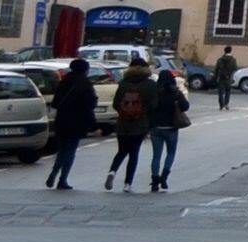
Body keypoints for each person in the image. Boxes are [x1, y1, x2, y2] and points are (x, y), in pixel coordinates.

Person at [42, 58, 96, 190]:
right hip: (77, 121)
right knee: (70, 151)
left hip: (62, 120)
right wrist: (93, 123)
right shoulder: (85, 83)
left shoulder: (64, 81)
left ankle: (54, 172)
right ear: (85, 69)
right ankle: (63, 179)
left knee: (62, 150)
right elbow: (90, 104)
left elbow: (55, 103)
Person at [104, 57, 154, 190]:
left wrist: (125, 112)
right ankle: (127, 184)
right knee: (134, 153)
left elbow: (116, 104)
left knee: (121, 151)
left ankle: (112, 172)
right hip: (140, 124)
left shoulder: (124, 83)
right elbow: (154, 105)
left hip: (123, 123)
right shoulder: (149, 84)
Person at [146, 62, 191, 192]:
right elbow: (186, 106)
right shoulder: (176, 93)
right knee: (170, 153)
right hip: (171, 127)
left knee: (156, 156)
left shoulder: (155, 92)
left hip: (156, 127)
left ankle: (155, 181)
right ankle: (164, 177)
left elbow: (149, 108)